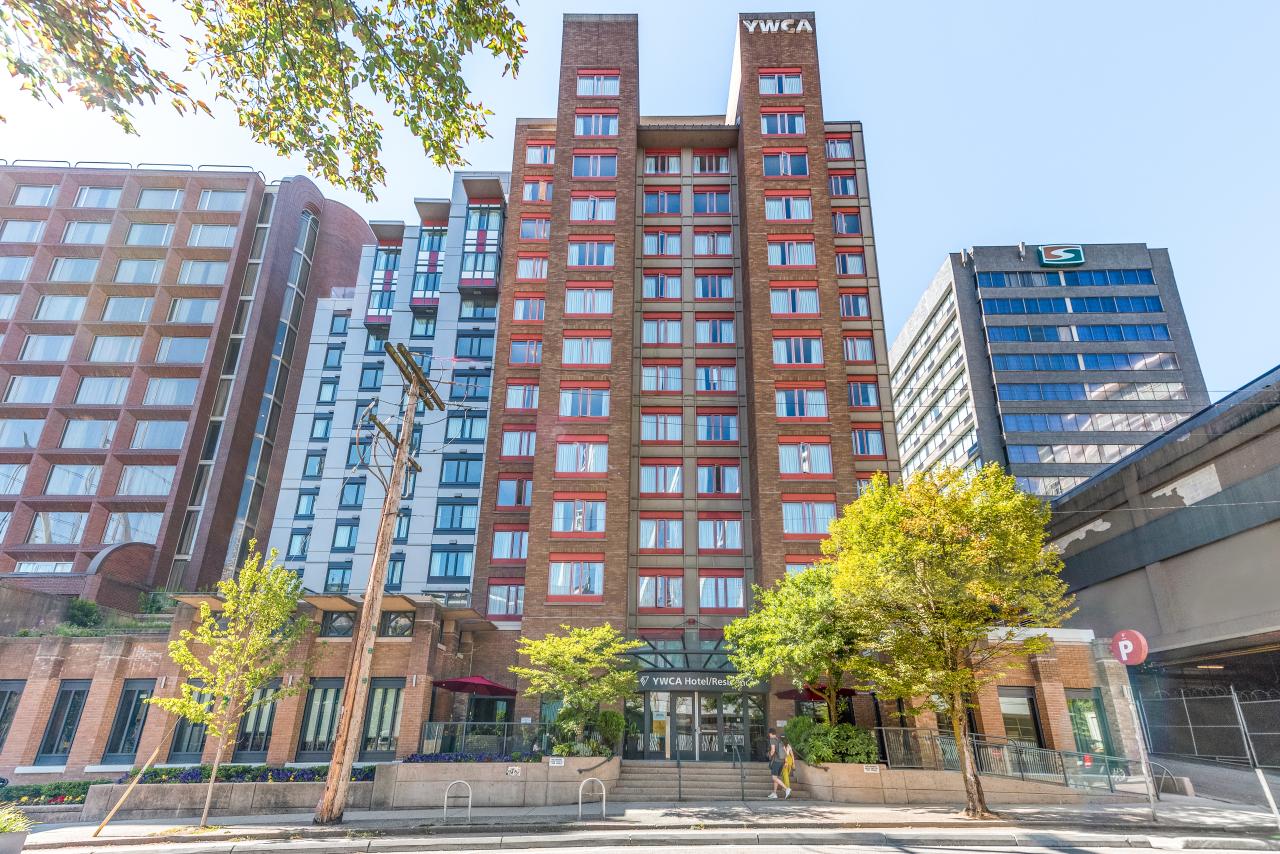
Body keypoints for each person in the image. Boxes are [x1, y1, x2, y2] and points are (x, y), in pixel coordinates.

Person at [767, 727, 787, 799]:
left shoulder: (772, 739)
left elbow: (773, 750)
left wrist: (769, 755)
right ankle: (775, 793)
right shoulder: (779, 739)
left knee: (774, 778)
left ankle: (787, 789)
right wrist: (786, 761)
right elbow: (785, 751)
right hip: (782, 761)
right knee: (776, 777)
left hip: (776, 761)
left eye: (769, 734)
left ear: (770, 733)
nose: (769, 735)